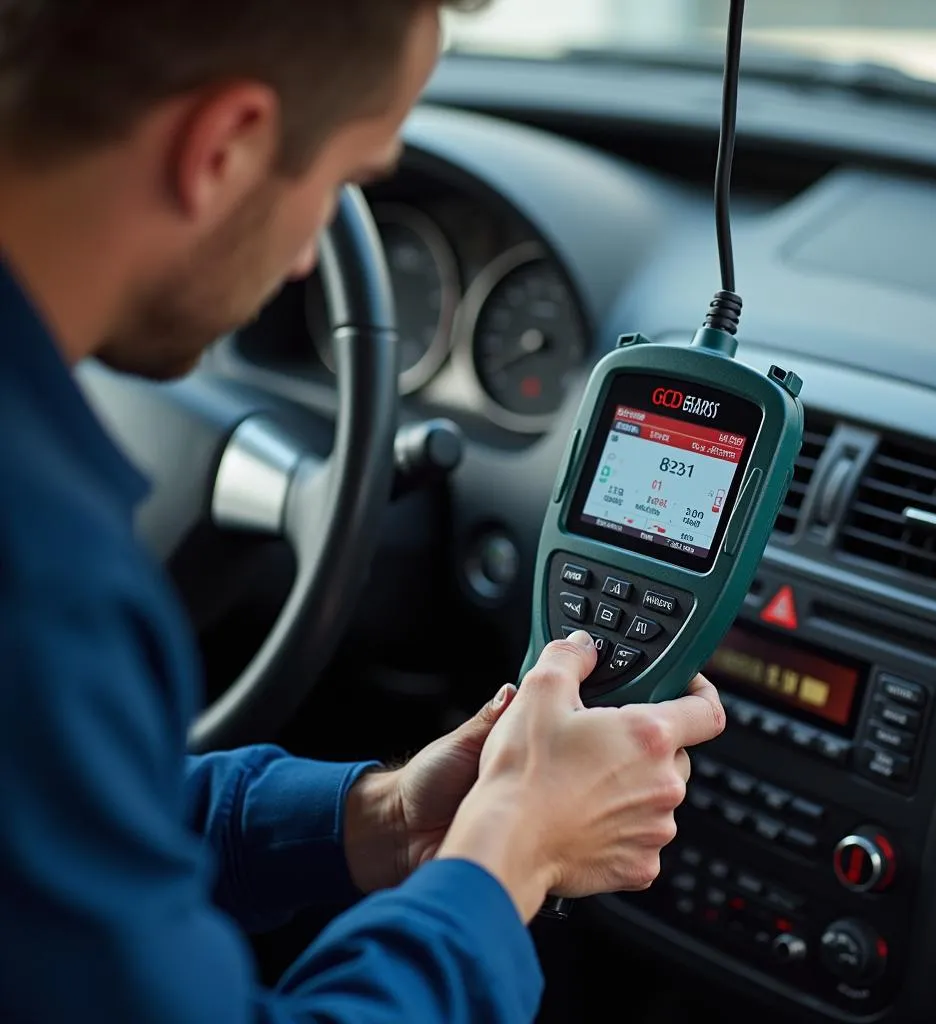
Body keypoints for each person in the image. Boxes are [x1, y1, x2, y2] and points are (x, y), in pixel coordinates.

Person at [0, 1, 726, 1021]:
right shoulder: (42, 585)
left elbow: (53, 827)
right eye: (342, 184)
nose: (310, 261)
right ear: (226, 147)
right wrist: (508, 855)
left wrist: (373, 818)